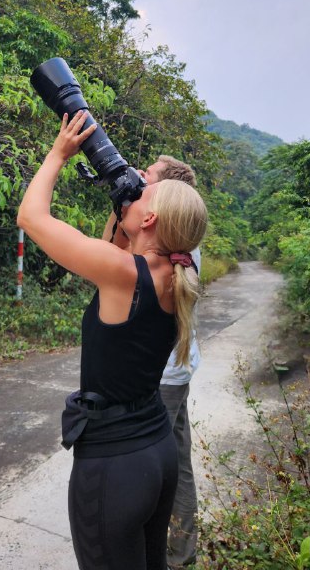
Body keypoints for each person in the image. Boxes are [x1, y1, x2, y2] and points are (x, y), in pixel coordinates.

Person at [18, 113, 208, 570]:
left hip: (114, 463)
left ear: (150, 216)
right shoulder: (177, 273)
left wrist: (59, 153)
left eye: (142, 190)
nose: (133, 185)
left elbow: (31, 216)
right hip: (156, 451)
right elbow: (122, 248)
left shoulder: (127, 274)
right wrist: (124, 206)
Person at [103, 156, 202, 569]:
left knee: (144, 469)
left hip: (158, 375)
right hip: (177, 369)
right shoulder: (182, 228)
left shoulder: (161, 241)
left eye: (148, 176)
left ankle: (151, 552)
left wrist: (124, 207)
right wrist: (123, 201)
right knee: (178, 461)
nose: (140, 176)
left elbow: (110, 259)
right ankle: (182, 554)